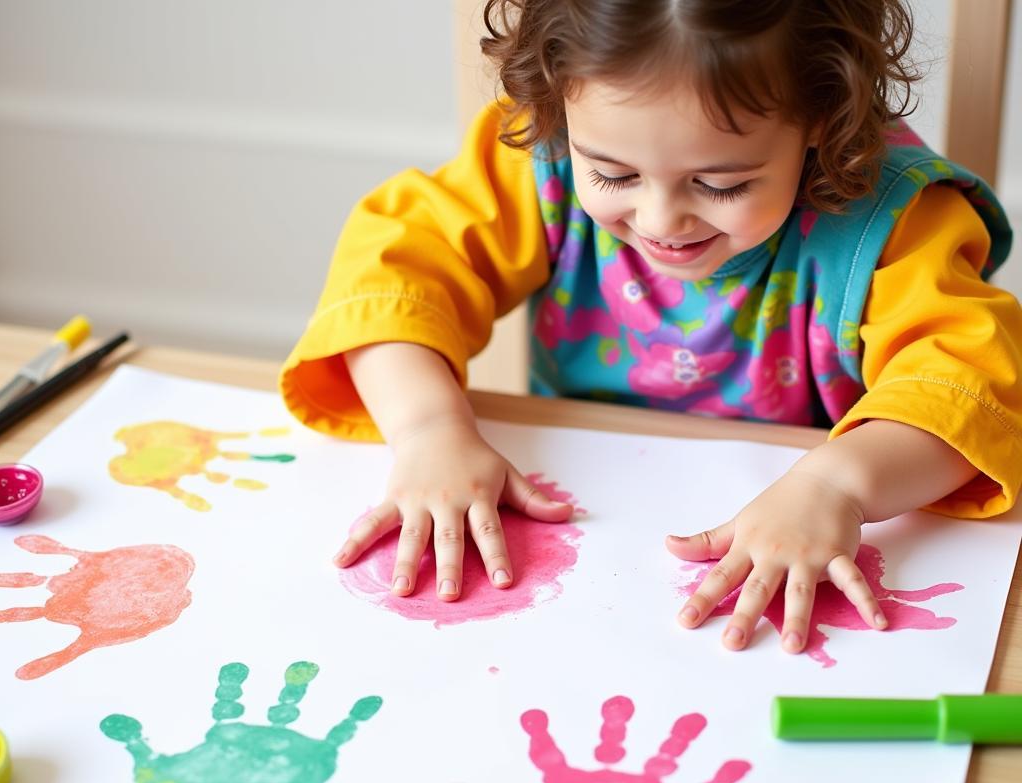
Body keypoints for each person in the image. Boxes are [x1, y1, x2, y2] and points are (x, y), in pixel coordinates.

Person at [280, 0, 1022, 655]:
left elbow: (968, 382)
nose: (661, 220)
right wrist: (428, 430)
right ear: (560, 107)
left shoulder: (892, 221)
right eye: (612, 175)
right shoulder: (539, 158)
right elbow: (392, 275)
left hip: (799, 515)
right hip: (587, 524)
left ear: (823, 119)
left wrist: (841, 486)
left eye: (721, 184)